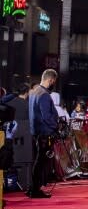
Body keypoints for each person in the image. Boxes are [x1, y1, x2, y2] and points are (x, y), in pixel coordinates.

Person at [28, 69, 58, 199]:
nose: (53, 84)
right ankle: (35, 189)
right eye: (54, 82)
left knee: (37, 161)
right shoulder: (44, 94)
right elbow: (46, 116)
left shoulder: (34, 92)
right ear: (50, 80)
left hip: (36, 131)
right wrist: (55, 127)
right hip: (45, 133)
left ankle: (32, 188)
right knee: (40, 162)